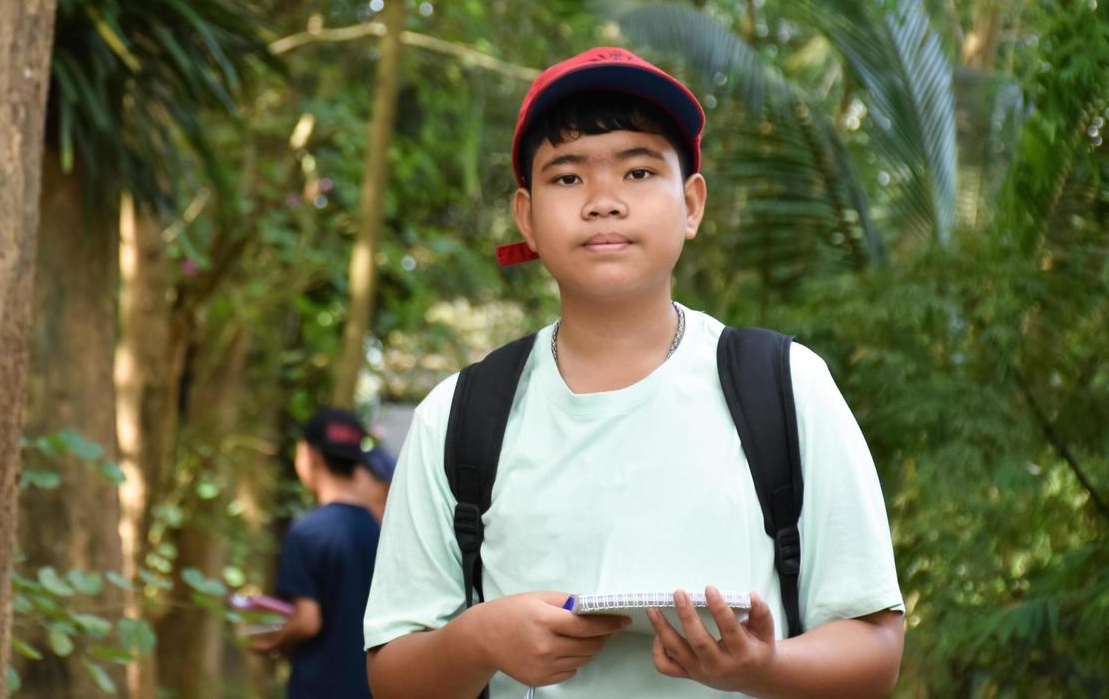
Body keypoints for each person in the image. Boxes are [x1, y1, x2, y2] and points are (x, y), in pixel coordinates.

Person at [363, 47, 905, 697]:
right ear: (527, 219)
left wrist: (764, 668)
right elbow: (393, 678)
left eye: (640, 171)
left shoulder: (786, 386)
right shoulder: (458, 417)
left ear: (692, 204)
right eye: (567, 178)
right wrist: (480, 639)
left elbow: (876, 646)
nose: (603, 201)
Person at [252, 408, 384, 698]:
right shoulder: (379, 531)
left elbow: (308, 621)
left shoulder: (307, 531)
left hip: (319, 686)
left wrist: (273, 642)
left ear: (310, 456)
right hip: (369, 686)